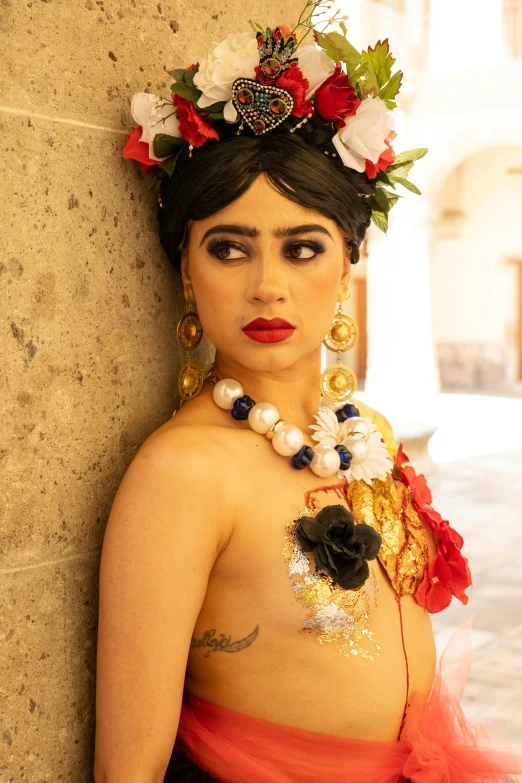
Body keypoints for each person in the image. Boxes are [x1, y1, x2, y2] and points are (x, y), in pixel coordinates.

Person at [94, 6, 522, 783]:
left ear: (348, 265)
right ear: (186, 268)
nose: (267, 286)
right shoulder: (182, 474)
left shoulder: (367, 431)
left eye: (302, 248)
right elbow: (127, 770)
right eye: (229, 248)